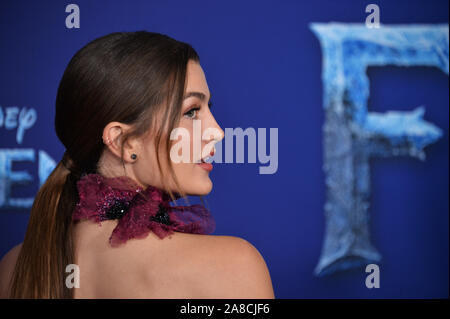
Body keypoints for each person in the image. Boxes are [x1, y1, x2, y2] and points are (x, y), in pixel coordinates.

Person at [0, 31, 275, 299]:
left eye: (208, 108)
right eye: (191, 111)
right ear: (123, 142)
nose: (217, 131)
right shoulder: (232, 265)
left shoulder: (14, 268)